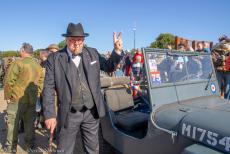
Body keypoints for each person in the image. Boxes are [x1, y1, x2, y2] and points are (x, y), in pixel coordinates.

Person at [42, 22, 123, 153]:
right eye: (72, 40)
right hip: (69, 113)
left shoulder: (92, 53)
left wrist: (117, 50)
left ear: (84, 40)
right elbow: (48, 88)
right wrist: (50, 114)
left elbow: (109, 66)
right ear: (66, 40)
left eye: (79, 40)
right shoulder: (55, 59)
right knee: (64, 150)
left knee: (93, 149)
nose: (76, 43)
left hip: (91, 112)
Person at [4, 43, 44, 152]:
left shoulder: (18, 63)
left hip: (17, 99)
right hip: (32, 99)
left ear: (22, 50)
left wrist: (7, 96)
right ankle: (29, 145)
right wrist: (37, 94)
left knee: (13, 123)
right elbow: (40, 83)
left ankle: (10, 147)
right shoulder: (38, 66)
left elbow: (9, 81)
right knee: (30, 123)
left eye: (20, 50)